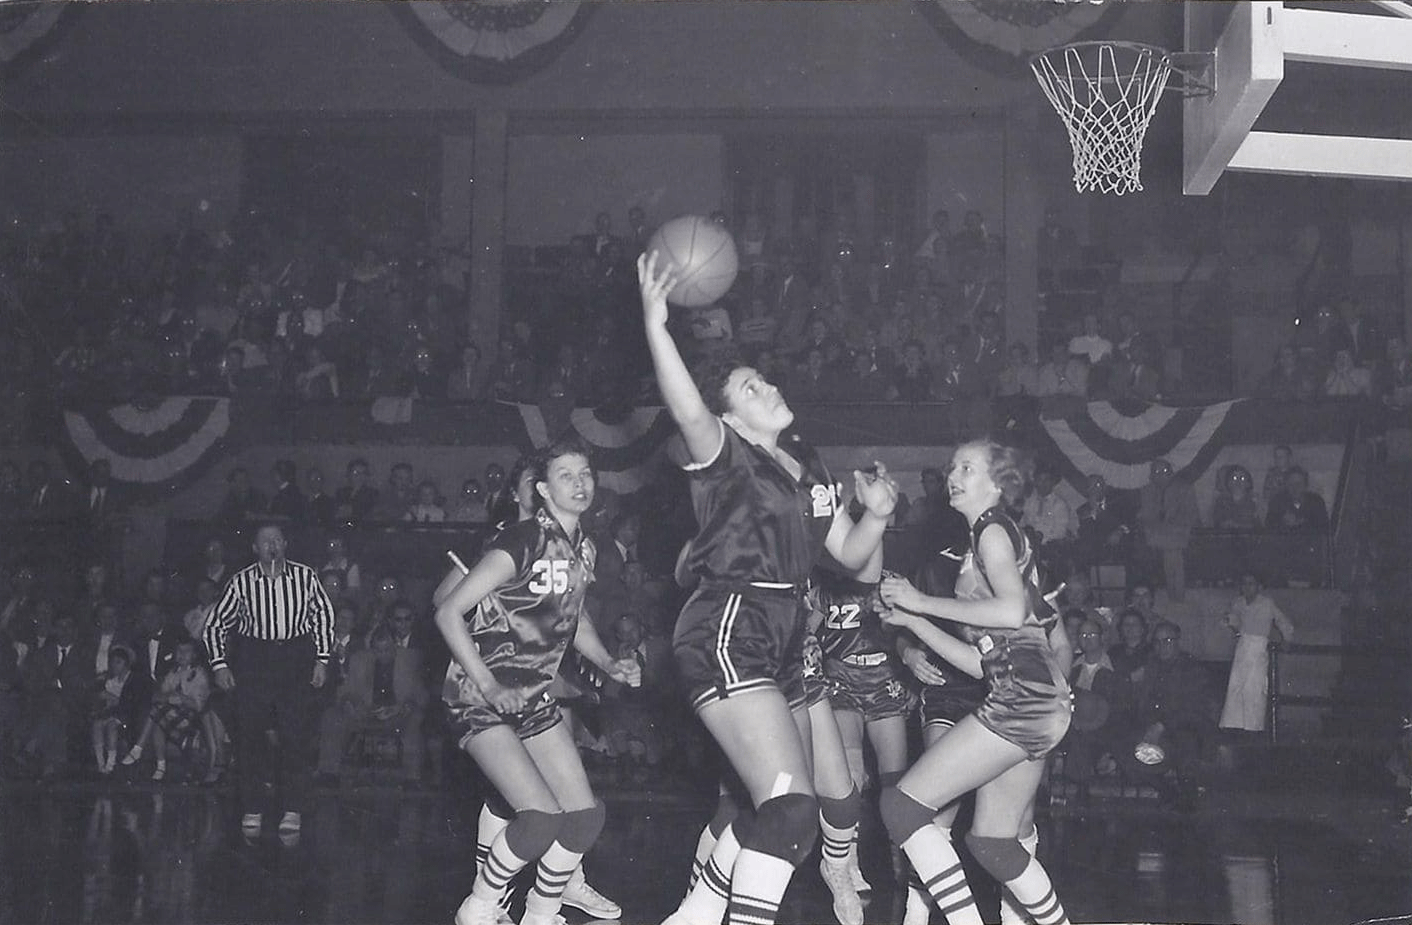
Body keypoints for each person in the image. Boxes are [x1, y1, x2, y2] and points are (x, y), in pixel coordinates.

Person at [638, 251, 898, 925]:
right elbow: (689, 408)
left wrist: (878, 513)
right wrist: (656, 324)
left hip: (783, 636)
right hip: (732, 621)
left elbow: (850, 558)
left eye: (764, 381)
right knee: (790, 810)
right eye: (749, 389)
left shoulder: (803, 469)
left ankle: (695, 912)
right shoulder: (725, 455)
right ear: (731, 417)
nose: (767, 389)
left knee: (774, 806)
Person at [434, 438, 640, 925]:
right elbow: (447, 611)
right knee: (541, 818)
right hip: (479, 692)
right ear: (544, 489)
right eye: (566, 475)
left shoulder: (583, 547)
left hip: (532, 695)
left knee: (586, 817)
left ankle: (541, 912)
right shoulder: (520, 540)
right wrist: (488, 684)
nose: (580, 482)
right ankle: (479, 908)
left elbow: (576, 621)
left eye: (586, 473)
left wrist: (610, 664)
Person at [877, 439, 1072, 925]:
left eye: (968, 466)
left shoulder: (992, 530)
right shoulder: (980, 545)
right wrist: (913, 623)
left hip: (1023, 698)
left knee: (901, 807)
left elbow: (1010, 612)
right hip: (1030, 694)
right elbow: (978, 662)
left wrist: (921, 602)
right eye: (952, 466)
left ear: (998, 483)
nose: (953, 474)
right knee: (992, 842)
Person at [202, 523, 335, 840]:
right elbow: (215, 625)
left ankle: (292, 809)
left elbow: (324, 617)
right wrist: (220, 664)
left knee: (294, 736)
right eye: (265, 541)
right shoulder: (241, 581)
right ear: (254, 548)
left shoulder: (305, 577)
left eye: (277, 540)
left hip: (295, 658)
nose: (272, 546)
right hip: (255, 660)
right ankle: (253, 807)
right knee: (250, 735)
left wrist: (322, 660)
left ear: (286, 544)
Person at [1218, 572, 1293, 733]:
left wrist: (1286, 638)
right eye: (1244, 583)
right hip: (1242, 647)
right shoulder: (1238, 603)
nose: (1247, 587)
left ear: (1259, 586)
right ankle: (1235, 726)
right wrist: (1231, 624)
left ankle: (1253, 728)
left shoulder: (1267, 603)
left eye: (1251, 583)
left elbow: (1282, 620)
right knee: (1236, 687)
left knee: (1254, 688)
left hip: (1258, 649)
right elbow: (1231, 621)